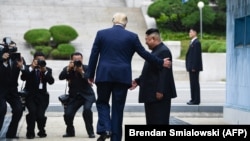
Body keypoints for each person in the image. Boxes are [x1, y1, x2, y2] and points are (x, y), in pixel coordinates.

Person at [86, 12, 172, 141]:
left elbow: (94, 55)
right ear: (125, 24)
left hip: (104, 75)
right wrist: (160, 62)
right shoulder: (132, 36)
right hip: (122, 77)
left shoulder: (101, 34)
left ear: (113, 21)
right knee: (118, 109)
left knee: (102, 102)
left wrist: (90, 74)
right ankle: (115, 138)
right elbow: (144, 53)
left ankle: (105, 128)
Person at [130, 28, 177, 125]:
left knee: (159, 121)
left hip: (158, 96)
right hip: (152, 95)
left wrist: (160, 90)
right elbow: (151, 72)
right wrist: (138, 81)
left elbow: (164, 73)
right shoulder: (156, 51)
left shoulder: (163, 51)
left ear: (153, 39)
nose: (146, 42)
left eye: (146, 39)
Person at [59, 52, 96, 138]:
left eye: (79, 60)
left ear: (82, 59)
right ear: (71, 60)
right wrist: (68, 69)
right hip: (74, 96)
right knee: (68, 114)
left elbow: (89, 79)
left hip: (87, 95)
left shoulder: (87, 68)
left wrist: (81, 72)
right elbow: (61, 77)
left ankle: (90, 132)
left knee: (87, 111)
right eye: (75, 60)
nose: (77, 61)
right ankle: (70, 131)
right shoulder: (69, 68)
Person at [20, 51, 55, 139]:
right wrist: (32, 67)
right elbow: (23, 77)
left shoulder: (48, 69)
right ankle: (30, 132)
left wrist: (45, 71)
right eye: (38, 60)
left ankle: (41, 130)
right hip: (30, 95)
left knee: (40, 115)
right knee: (32, 113)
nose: (39, 62)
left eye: (42, 60)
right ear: (34, 60)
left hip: (43, 96)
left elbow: (51, 82)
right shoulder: (28, 68)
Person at [0, 37, 25, 138]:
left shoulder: (18, 58)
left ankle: (11, 133)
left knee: (19, 109)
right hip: (0, 90)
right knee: (2, 109)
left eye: (13, 47)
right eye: (9, 47)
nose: (11, 50)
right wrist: (3, 61)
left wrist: (22, 67)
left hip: (13, 90)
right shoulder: (0, 58)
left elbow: (25, 75)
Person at [185, 27, 203, 105]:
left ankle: (196, 100)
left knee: (195, 83)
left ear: (195, 33)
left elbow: (196, 56)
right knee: (192, 83)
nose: (189, 33)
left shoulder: (196, 43)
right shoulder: (193, 42)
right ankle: (193, 99)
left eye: (191, 32)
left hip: (194, 68)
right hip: (191, 67)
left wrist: (193, 67)